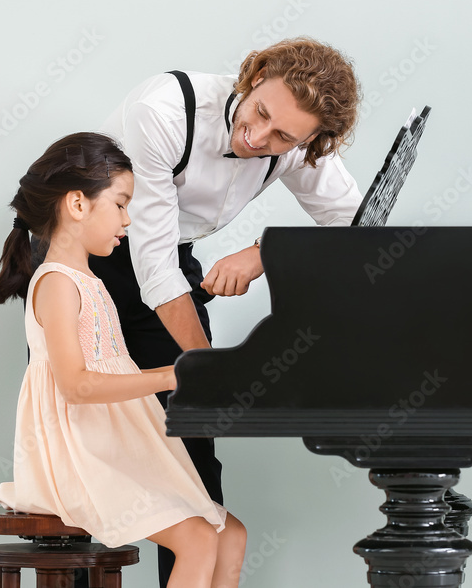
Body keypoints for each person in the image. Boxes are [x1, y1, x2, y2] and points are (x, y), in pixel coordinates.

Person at [91, 37, 363, 587]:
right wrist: (208, 370)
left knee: (193, 452)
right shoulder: (162, 111)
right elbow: (154, 264)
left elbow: (355, 225)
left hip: (168, 258)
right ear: (254, 74)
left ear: (311, 142)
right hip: (85, 259)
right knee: (92, 438)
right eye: (260, 112)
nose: (258, 137)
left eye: (284, 136)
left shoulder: (300, 146)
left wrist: (266, 253)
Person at [0, 132, 246, 588]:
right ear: (77, 204)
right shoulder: (56, 283)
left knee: (231, 534)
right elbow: (76, 385)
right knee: (198, 540)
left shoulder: (90, 280)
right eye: (122, 204)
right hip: (78, 455)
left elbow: (110, 365)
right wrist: (171, 375)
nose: (129, 219)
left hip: (115, 447)